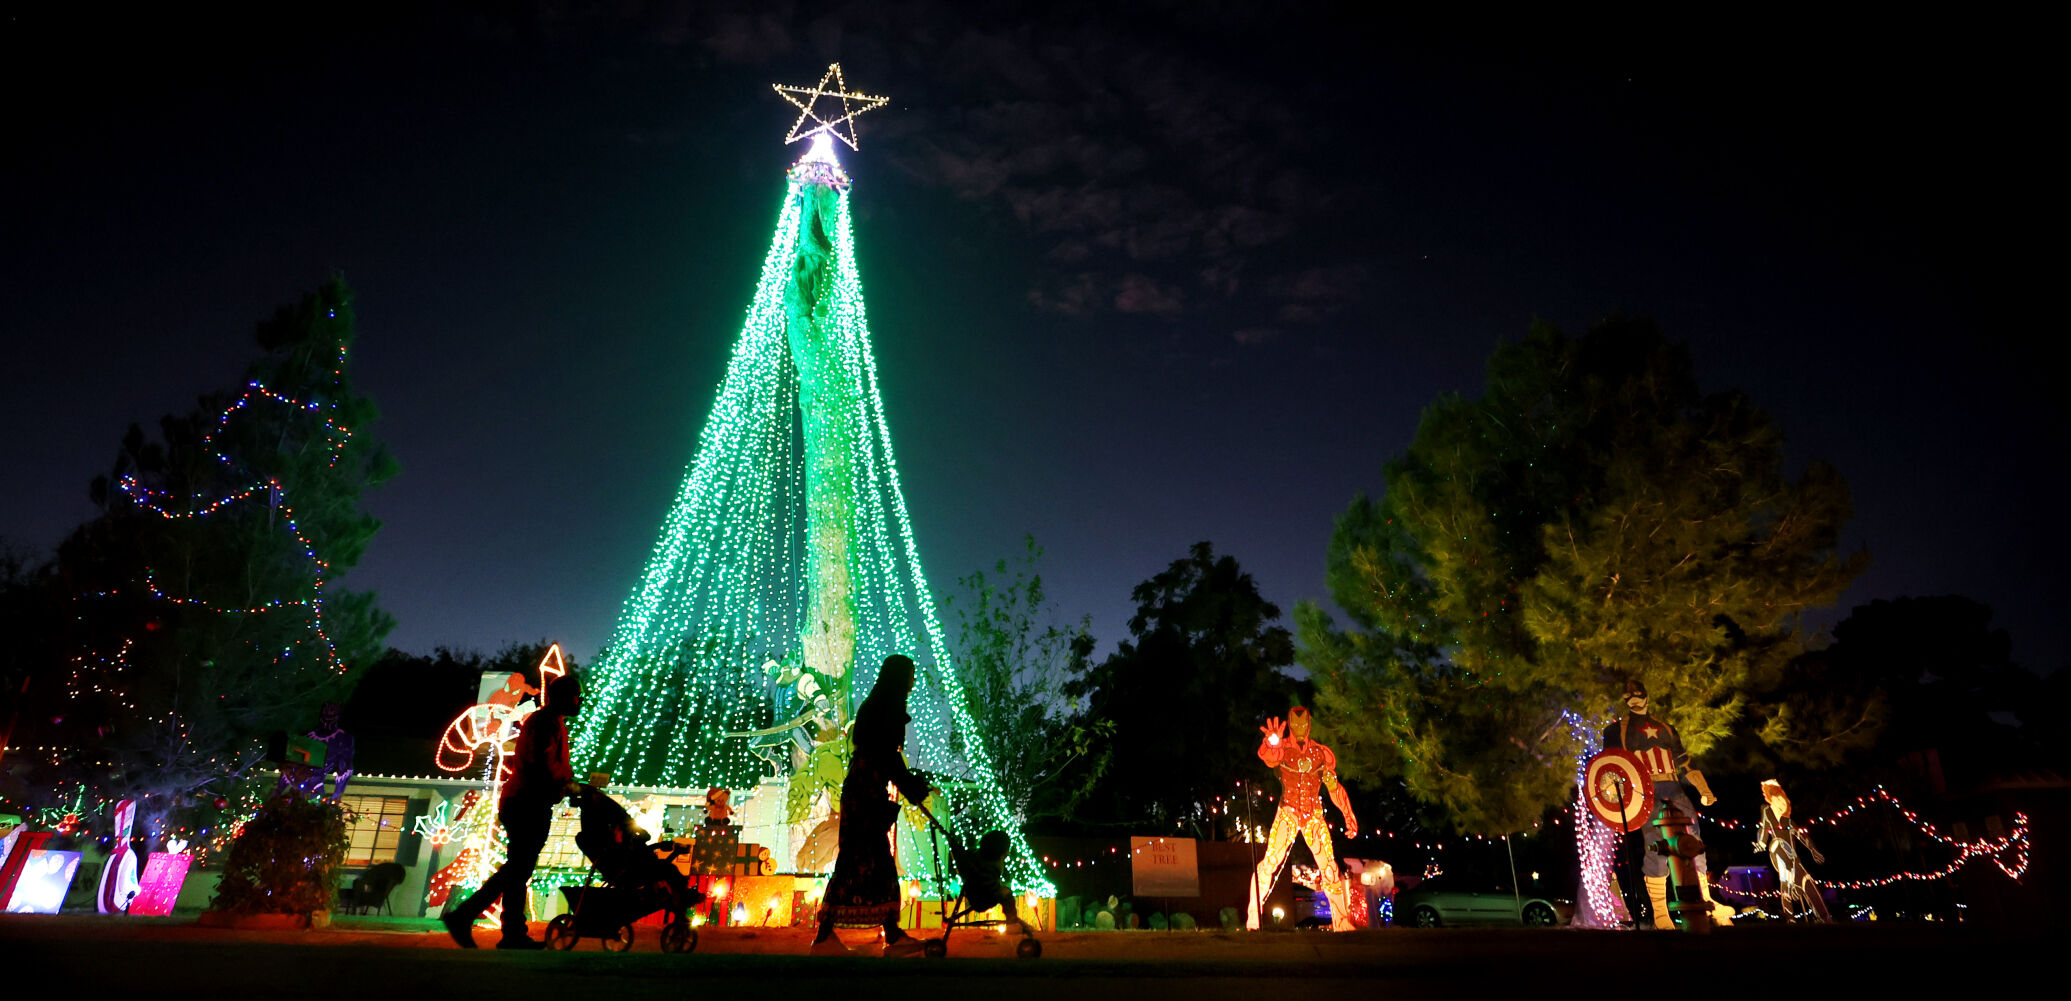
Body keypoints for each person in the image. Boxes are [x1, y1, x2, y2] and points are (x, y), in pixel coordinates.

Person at [443, 672, 583, 949]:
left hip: (526, 800)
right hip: (526, 802)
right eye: (578, 696)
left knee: (518, 871)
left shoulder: (551, 723)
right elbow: (541, 763)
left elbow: (548, 764)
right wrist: (566, 785)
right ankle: (465, 915)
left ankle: (511, 932)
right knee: (518, 869)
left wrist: (566, 783)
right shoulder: (545, 724)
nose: (581, 702)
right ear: (565, 697)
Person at [812, 654, 931, 956]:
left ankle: (872, 935)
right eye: (910, 675)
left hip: (863, 790)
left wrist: (906, 784)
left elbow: (884, 755)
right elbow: (886, 755)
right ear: (899, 677)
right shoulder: (887, 709)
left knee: (865, 863)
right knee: (864, 862)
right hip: (867, 794)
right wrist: (911, 786)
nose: (913, 682)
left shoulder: (878, 705)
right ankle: (876, 936)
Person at [1602, 678, 1733, 928]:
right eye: (1629, 696)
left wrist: (1703, 789)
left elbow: (1684, 761)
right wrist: (1611, 789)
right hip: (1644, 790)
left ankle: (1705, 899)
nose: (1634, 699)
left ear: (1647, 696)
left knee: (1694, 838)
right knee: (1656, 843)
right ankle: (1661, 911)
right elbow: (1611, 764)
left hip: (1674, 787)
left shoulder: (1666, 728)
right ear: (1624, 701)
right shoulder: (1616, 731)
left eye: (1638, 694)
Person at [1247, 706, 1360, 931]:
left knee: (1329, 868)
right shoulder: (1282, 748)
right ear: (1289, 724)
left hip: (1313, 815)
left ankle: (1342, 922)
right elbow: (1269, 757)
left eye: (1303, 724)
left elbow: (1333, 787)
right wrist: (1272, 741)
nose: (1299, 728)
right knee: (1269, 863)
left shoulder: (1321, 753)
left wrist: (1348, 815)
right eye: (1295, 724)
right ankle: (1253, 918)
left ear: (1308, 724)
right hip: (1288, 812)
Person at [1755, 779, 1832, 922]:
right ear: (1772, 800)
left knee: (1807, 882)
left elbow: (1803, 837)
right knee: (1784, 873)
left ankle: (1824, 917)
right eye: (1778, 800)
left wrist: (1813, 851)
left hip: (1794, 860)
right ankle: (1790, 917)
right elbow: (1764, 830)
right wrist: (1761, 844)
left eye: (1784, 801)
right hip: (1778, 853)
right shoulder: (1766, 811)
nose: (1782, 804)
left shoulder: (1789, 823)